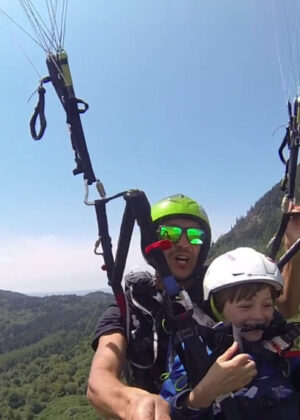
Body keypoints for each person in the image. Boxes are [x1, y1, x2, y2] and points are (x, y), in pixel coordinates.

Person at [87, 194, 300, 420]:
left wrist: (294, 243)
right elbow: (100, 379)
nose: (184, 243)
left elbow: (282, 307)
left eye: (195, 237)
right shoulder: (136, 307)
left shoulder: (221, 285)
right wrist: (132, 402)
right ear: (151, 241)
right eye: (170, 233)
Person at [161, 247, 300, 419]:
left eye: (267, 305)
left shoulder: (282, 350)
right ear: (220, 310)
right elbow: (165, 410)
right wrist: (203, 394)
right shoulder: (198, 355)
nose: (258, 315)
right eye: (245, 306)